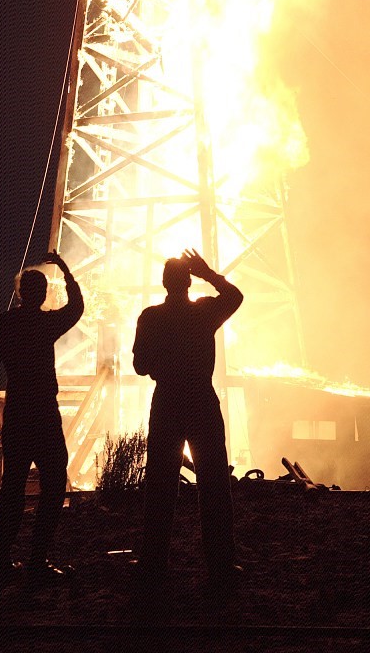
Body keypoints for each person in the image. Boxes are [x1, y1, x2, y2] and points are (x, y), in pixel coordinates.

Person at [0, 250, 84, 584]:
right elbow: (76, 309)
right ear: (44, 294)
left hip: (18, 413)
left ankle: (4, 560)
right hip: (44, 415)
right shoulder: (45, 323)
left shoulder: (4, 324)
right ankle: (37, 559)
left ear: (20, 293)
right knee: (53, 483)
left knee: (12, 488)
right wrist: (65, 269)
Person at [132, 247, 243, 588]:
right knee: (214, 486)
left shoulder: (150, 317)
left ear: (164, 283)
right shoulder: (205, 312)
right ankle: (220, 567)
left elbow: (139, 366)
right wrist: (209, 273)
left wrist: (160, 364)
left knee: (160, 487)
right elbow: (235, 296)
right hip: (201, 400)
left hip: (166, 402)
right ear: (189, 281)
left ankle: (153, 566)